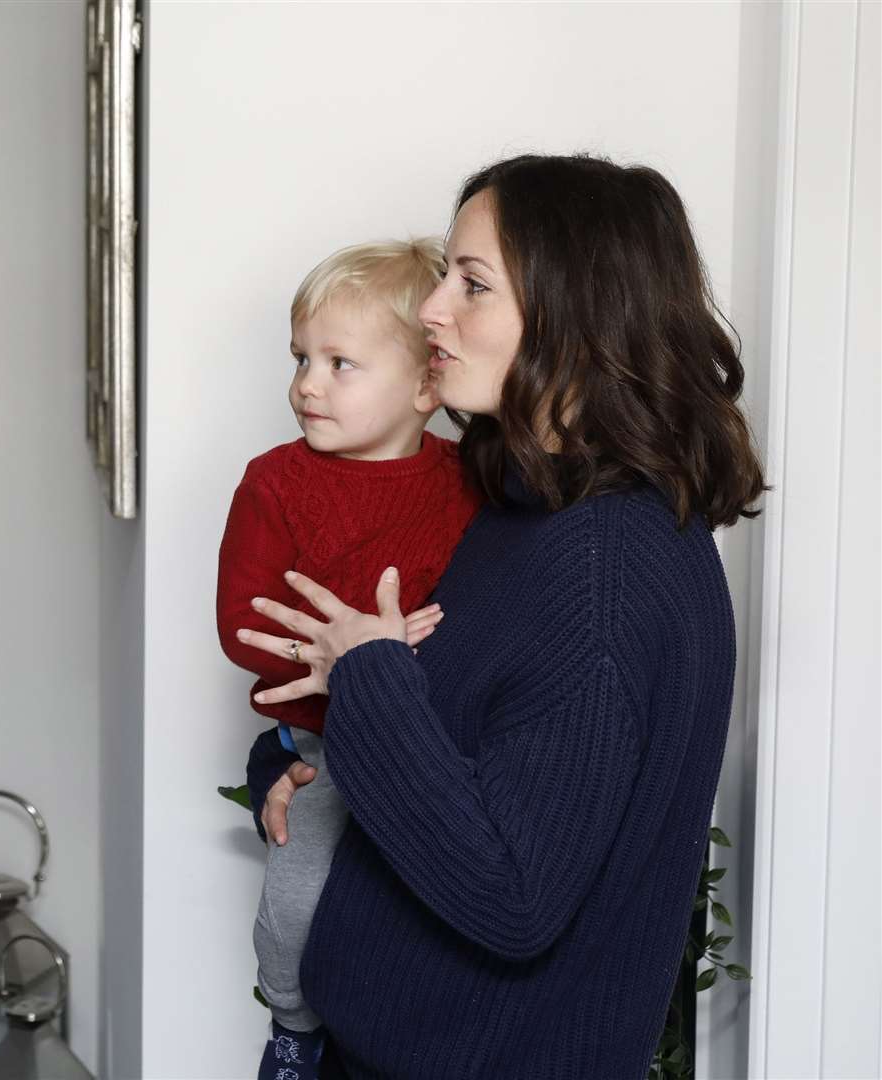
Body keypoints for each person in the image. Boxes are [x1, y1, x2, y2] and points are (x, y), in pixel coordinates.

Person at [238, 154, 764, 1077]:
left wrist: (368, 677)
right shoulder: (528, 509)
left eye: (471, 284)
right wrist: (340, 768)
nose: (432, 309)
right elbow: (465, 764)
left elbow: (512, 893)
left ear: (577, 314)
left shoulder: (604, 572)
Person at [214, 239, 480, 1080]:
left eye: (339, 363)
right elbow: (239, 627)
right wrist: (346, 655)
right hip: (325, 752)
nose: (306, 385)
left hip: (441, 749)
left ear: (425, 386)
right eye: (300, 359)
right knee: (294, 905)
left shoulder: (471, 480)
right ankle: (292, 1030)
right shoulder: (274, 482)